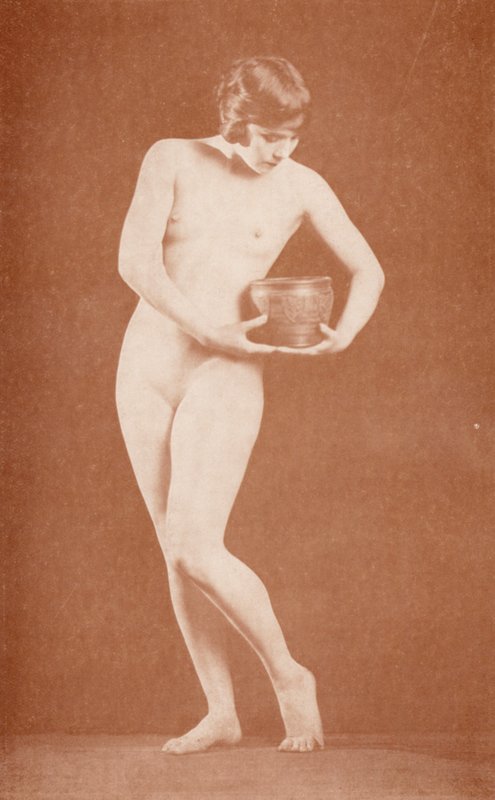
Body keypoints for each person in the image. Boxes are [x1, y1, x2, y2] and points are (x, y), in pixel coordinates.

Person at [115, 56, 384, 754]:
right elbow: (136, 263)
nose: (280, 150)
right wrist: (203, 327)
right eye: (268, 136)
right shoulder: (171, 158)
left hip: (228, 369)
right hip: (146, 366)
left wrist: (344, 333)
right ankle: (221, 713)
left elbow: (367, 269)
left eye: (292, 136)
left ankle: (290, 675)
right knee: (174, 552)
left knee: (195, 544)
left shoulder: (302, 185)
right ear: (236, 121)